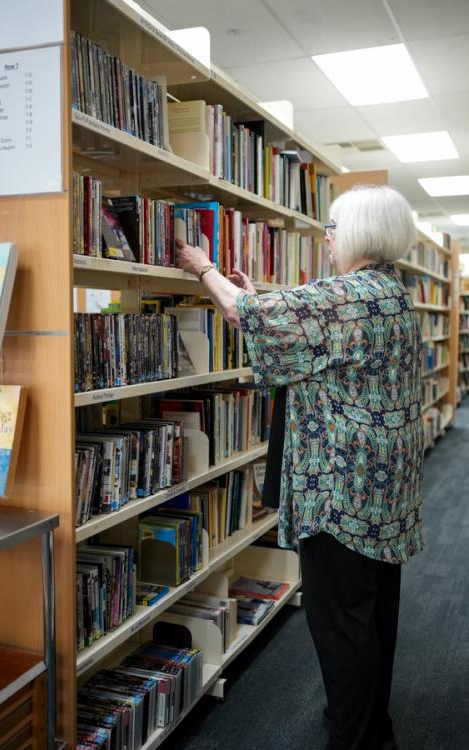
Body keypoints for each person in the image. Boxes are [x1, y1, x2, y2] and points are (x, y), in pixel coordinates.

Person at [175, 185, 424, 750]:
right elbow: (317, 342)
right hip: (384, 493)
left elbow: (243, 314)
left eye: (333, 228)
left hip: (340, 494)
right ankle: (371, 726)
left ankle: (356, 739)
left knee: (342, 629)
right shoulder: (392, 293)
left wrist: (201, 265)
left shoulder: (344, 296)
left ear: (358, 232)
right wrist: (265, 302)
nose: (328, 238)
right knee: (375, 617)